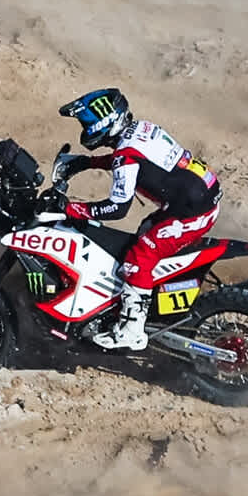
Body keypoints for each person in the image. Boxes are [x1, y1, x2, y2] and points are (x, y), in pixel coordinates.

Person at [54, 86, 221, 351]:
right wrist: (86, 163)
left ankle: (132, 331)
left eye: (86, 124)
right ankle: (150, 303)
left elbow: (118, 208)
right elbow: (141, 161)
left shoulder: (125, 155)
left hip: (194, 212)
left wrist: (74, 209)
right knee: (143, 235)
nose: (84, 130)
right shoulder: (142, 128)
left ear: (105, 122)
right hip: (195, 201)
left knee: (138, 258)